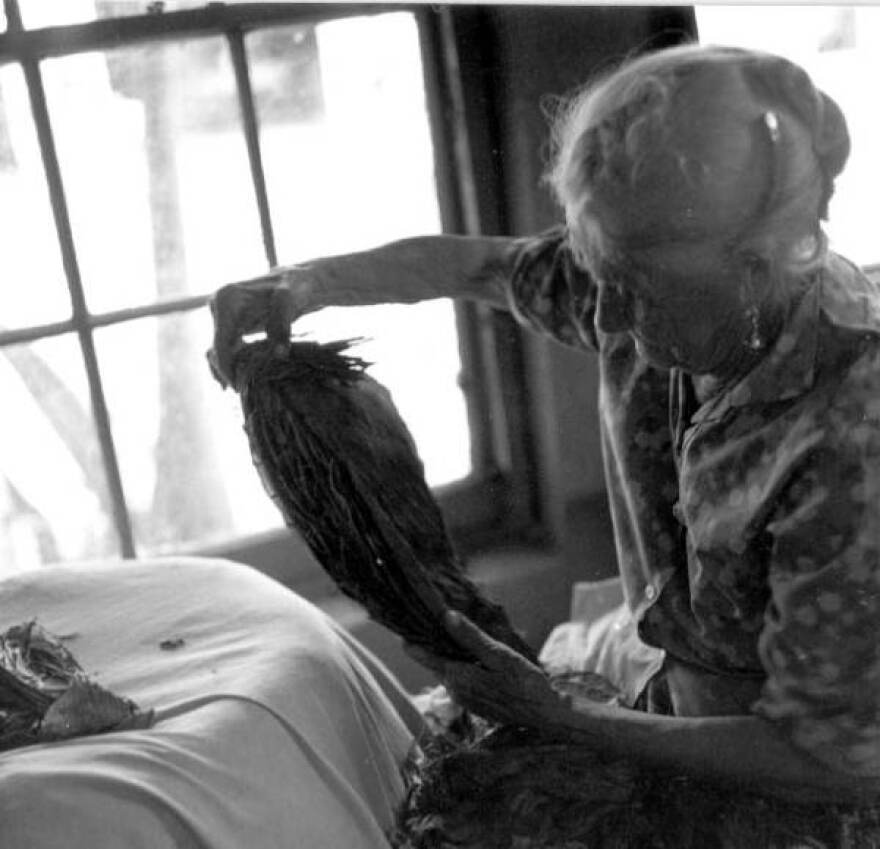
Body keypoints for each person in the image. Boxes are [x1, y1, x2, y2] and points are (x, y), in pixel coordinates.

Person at [208, 44, 880, 805]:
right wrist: (307, 283)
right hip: (675, 697)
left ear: (755, 270)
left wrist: (562, 715)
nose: (607, 317)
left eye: (636, 291)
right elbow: (480, 270)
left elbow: (839, 762)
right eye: (602, 278)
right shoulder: (642, 270)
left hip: (797, 789)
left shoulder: (852, 435)